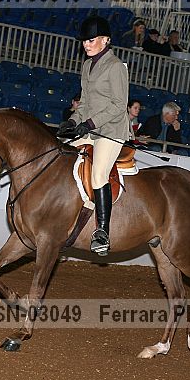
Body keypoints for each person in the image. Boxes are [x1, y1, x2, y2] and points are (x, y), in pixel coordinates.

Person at [56, 15, 129, 257]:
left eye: (91, 40)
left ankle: (102, 232)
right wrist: (73, 121)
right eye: (84, 41)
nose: (86, 44)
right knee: (62, 157)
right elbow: (85, 103)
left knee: (98, 175)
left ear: (105, 40)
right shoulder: (87, 66)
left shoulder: (116, 66)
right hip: (91, 127)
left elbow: (119, 106)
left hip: (111, 130)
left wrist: (89, 123)